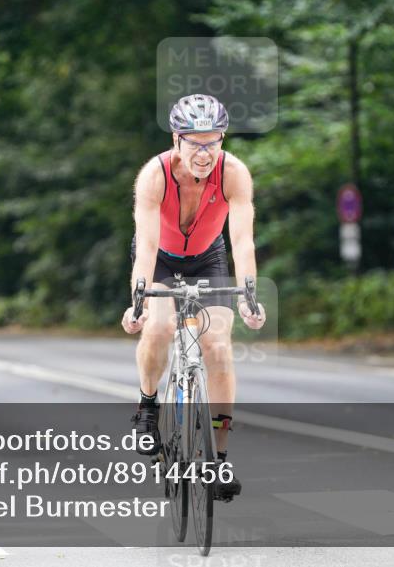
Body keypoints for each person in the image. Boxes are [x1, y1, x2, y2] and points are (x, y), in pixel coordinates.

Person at [122, 93, 266, 501]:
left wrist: (248, 296)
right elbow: (147, 246)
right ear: (176, 139)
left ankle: (219, 459)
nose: (205, 152)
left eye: (213, 141)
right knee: (161, 325)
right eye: (195, 142)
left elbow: (242, 240)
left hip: (209, 258)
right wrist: (140, 300)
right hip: (161, 261)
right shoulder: (155, 176)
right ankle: (148, 406)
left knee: (217, 346)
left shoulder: (234, 173)